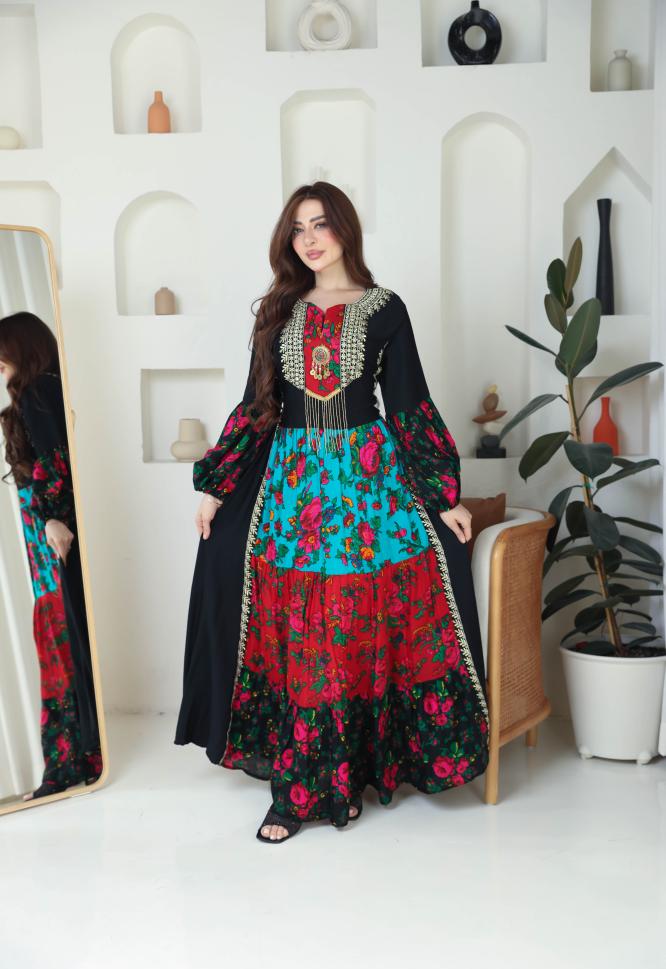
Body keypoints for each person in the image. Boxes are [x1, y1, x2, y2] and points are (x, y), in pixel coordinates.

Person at [174, 181, 489, 843]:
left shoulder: (384, 308)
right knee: (303, 625)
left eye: (320, 224)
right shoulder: (278, 310)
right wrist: (217, 486)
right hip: (293, 488)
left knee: (354, 623)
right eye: (298, 229)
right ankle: (304, 790)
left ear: (345, 228)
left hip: (368, 484)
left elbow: (409, 403)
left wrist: (445, 498)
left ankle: (352, 771)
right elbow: (257, 404)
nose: (310, 239)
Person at [0, 312, 102, 800]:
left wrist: (53, 518)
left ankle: (71, 764)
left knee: (62, 643)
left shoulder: (39, 389)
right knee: (61, 642)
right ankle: (70, 762)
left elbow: (52, 461)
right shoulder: (44, 389)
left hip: (50, 531)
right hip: (43, 531)